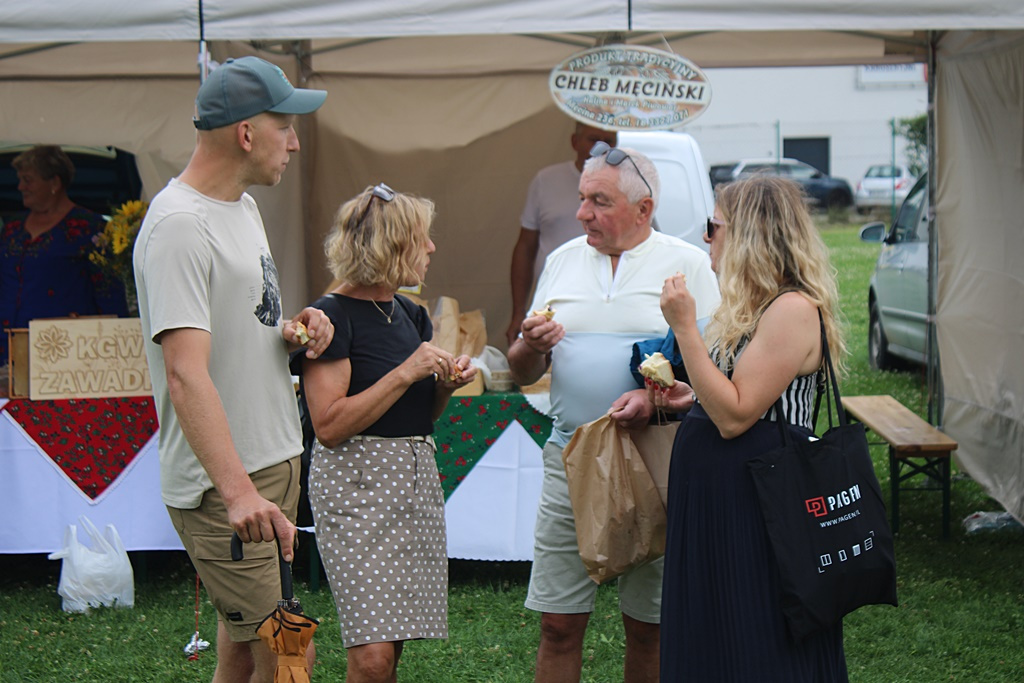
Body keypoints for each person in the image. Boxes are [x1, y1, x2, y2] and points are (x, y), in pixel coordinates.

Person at [133, 56, 332, 683]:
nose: (294, 143)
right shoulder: (179, 226)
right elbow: (185, 374)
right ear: (246, 133)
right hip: (229, 484)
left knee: (244, 650)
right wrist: (238, 492)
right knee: (291, 651)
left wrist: (292, 330)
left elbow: (238, 323)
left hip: (271, 460)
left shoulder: (241, 208)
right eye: (285, 127)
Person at [508, 143, 720, 683]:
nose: (582, 214)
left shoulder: (689, 265)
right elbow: (522, 371)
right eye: (583, 199)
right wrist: (530, 344)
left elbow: (717, 372)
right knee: (558, 623)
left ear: (644, 209)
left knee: (650, 626)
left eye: (599, 201)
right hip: (572, 456)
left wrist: (655, 400)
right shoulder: (562, 260)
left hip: (658, 462)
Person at [652, 175, 849, 680]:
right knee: (716, 631)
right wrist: (694, 396)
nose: (705, 237)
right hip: (724, 498)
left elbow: (738, 416)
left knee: (755, 634)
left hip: (761, 503)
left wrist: (684, 328)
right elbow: (742, 394)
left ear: (749, 234)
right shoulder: (753, 306)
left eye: (713, 225)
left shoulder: (792, 309)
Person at [295, 183, 477, 682]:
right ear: (392, 246)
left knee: (390, 649)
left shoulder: (411, 314)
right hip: (355, 488)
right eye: (422, 238)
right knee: (372, 656)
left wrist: (443, 386)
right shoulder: (331, 317)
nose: (431, 248)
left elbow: (419, 416)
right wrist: (406, 371)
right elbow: (329, 426)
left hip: (412, 486)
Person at [0, 145, 128, 363]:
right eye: (20, 179)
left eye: (28, 180)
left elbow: (109, 293)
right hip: (6, 348)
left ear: (55, 183)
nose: (20, 187)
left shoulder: (90, 229)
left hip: (61, 350)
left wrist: (117, 346)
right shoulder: (12, 229)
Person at [505, 122, 618, 346]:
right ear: (575, 142)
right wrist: (519, 312)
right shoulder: (546, 181)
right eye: (593, 139)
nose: (601, 148)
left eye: (609, 141)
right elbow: (525, 248)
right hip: (553, 301)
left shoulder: (625, 188)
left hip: (607, 306)